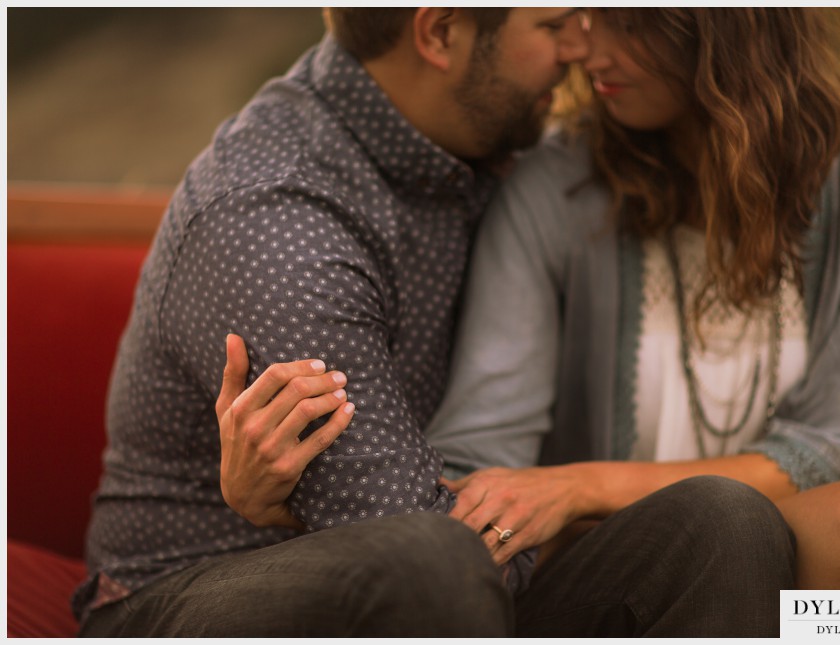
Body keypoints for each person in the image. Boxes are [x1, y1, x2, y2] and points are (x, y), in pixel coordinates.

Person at [75, 7, 592, 637]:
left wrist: (587, 493)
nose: (575, 46)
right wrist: (579, 506)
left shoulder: (477, 135)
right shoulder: (277, 225)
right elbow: (421, 533)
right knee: (433, 555)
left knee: (708, 520)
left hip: (432, 568)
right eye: (551, 24)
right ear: (439, 33)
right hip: (185, 594)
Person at [423, 5, 840, 597]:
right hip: (625, 563)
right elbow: (482, 450)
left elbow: (839, 454)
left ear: (731, 28)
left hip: (809, 573)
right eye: (592, 19)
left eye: (629, 24)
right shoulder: (552, 186)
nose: (591, 54)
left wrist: (579, 484)